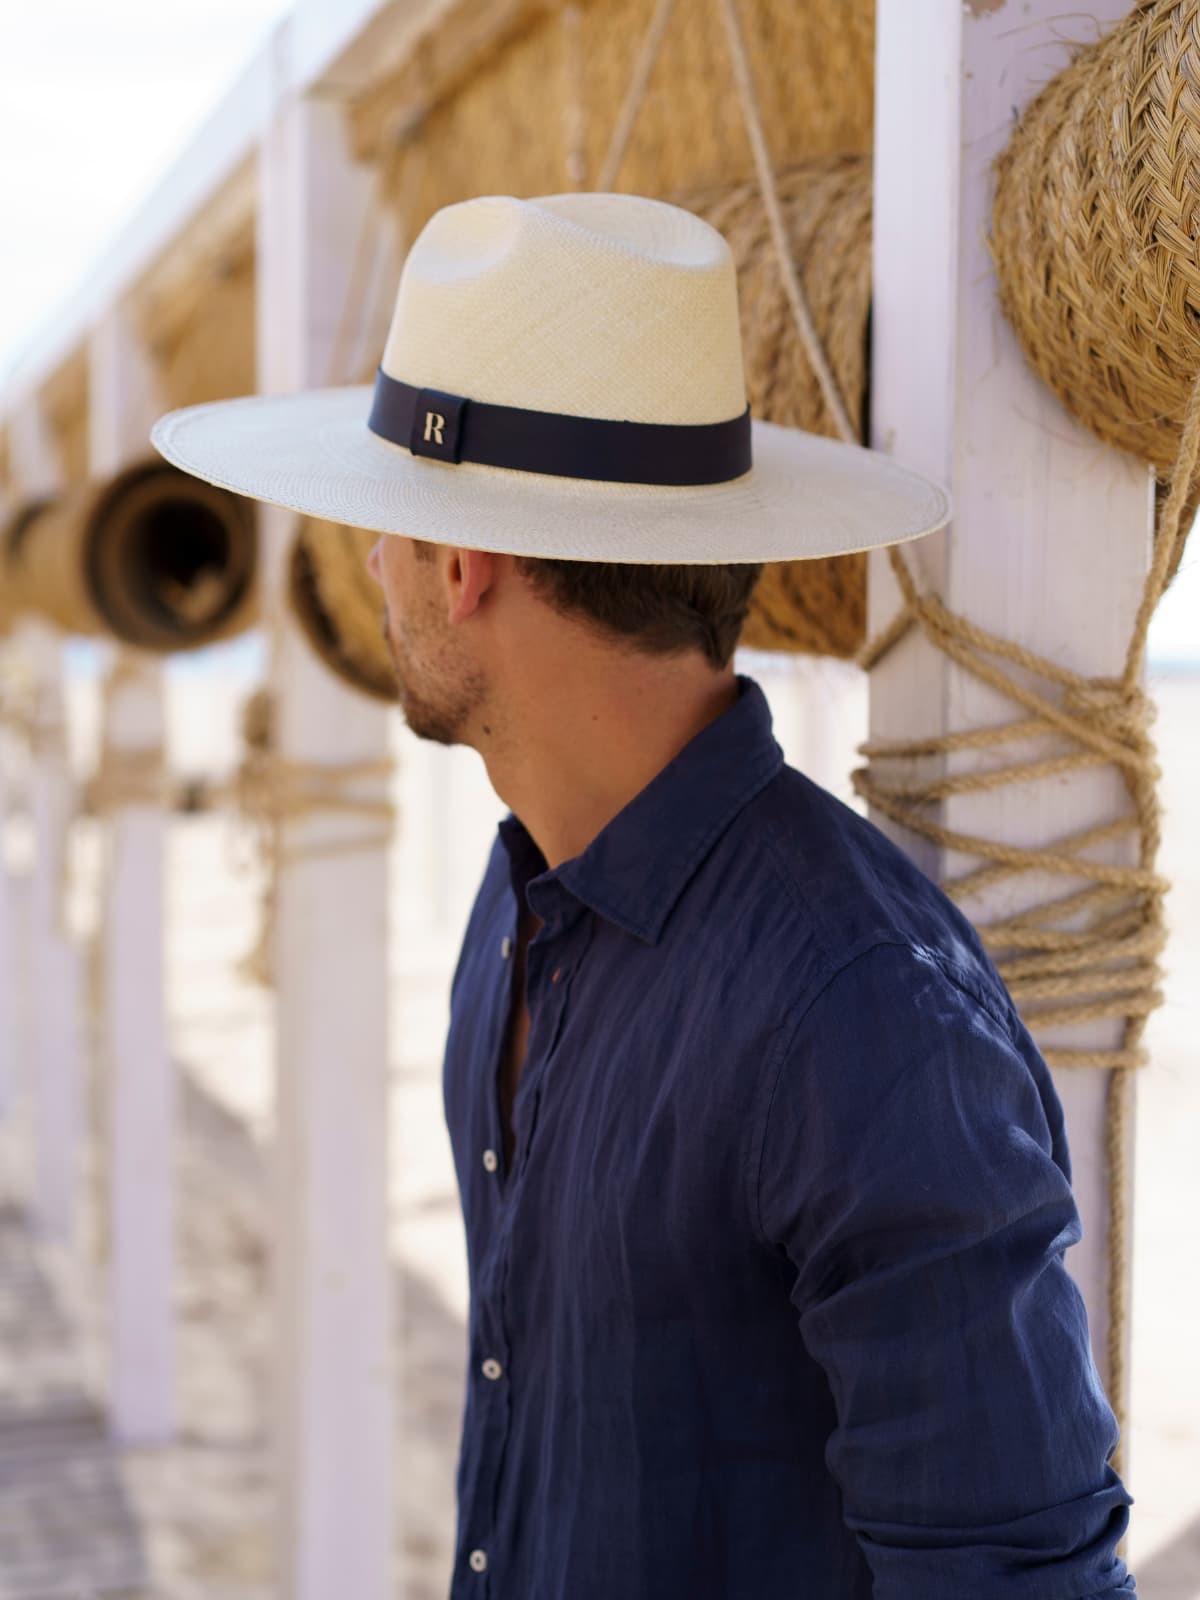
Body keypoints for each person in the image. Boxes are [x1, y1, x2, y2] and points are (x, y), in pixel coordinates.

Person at [153, 192, 1135, 1597]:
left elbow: (1019, 1577)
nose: (369, 562)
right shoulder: (523, 895)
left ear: (461, 565)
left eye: (387, 526)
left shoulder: (863, 1015)